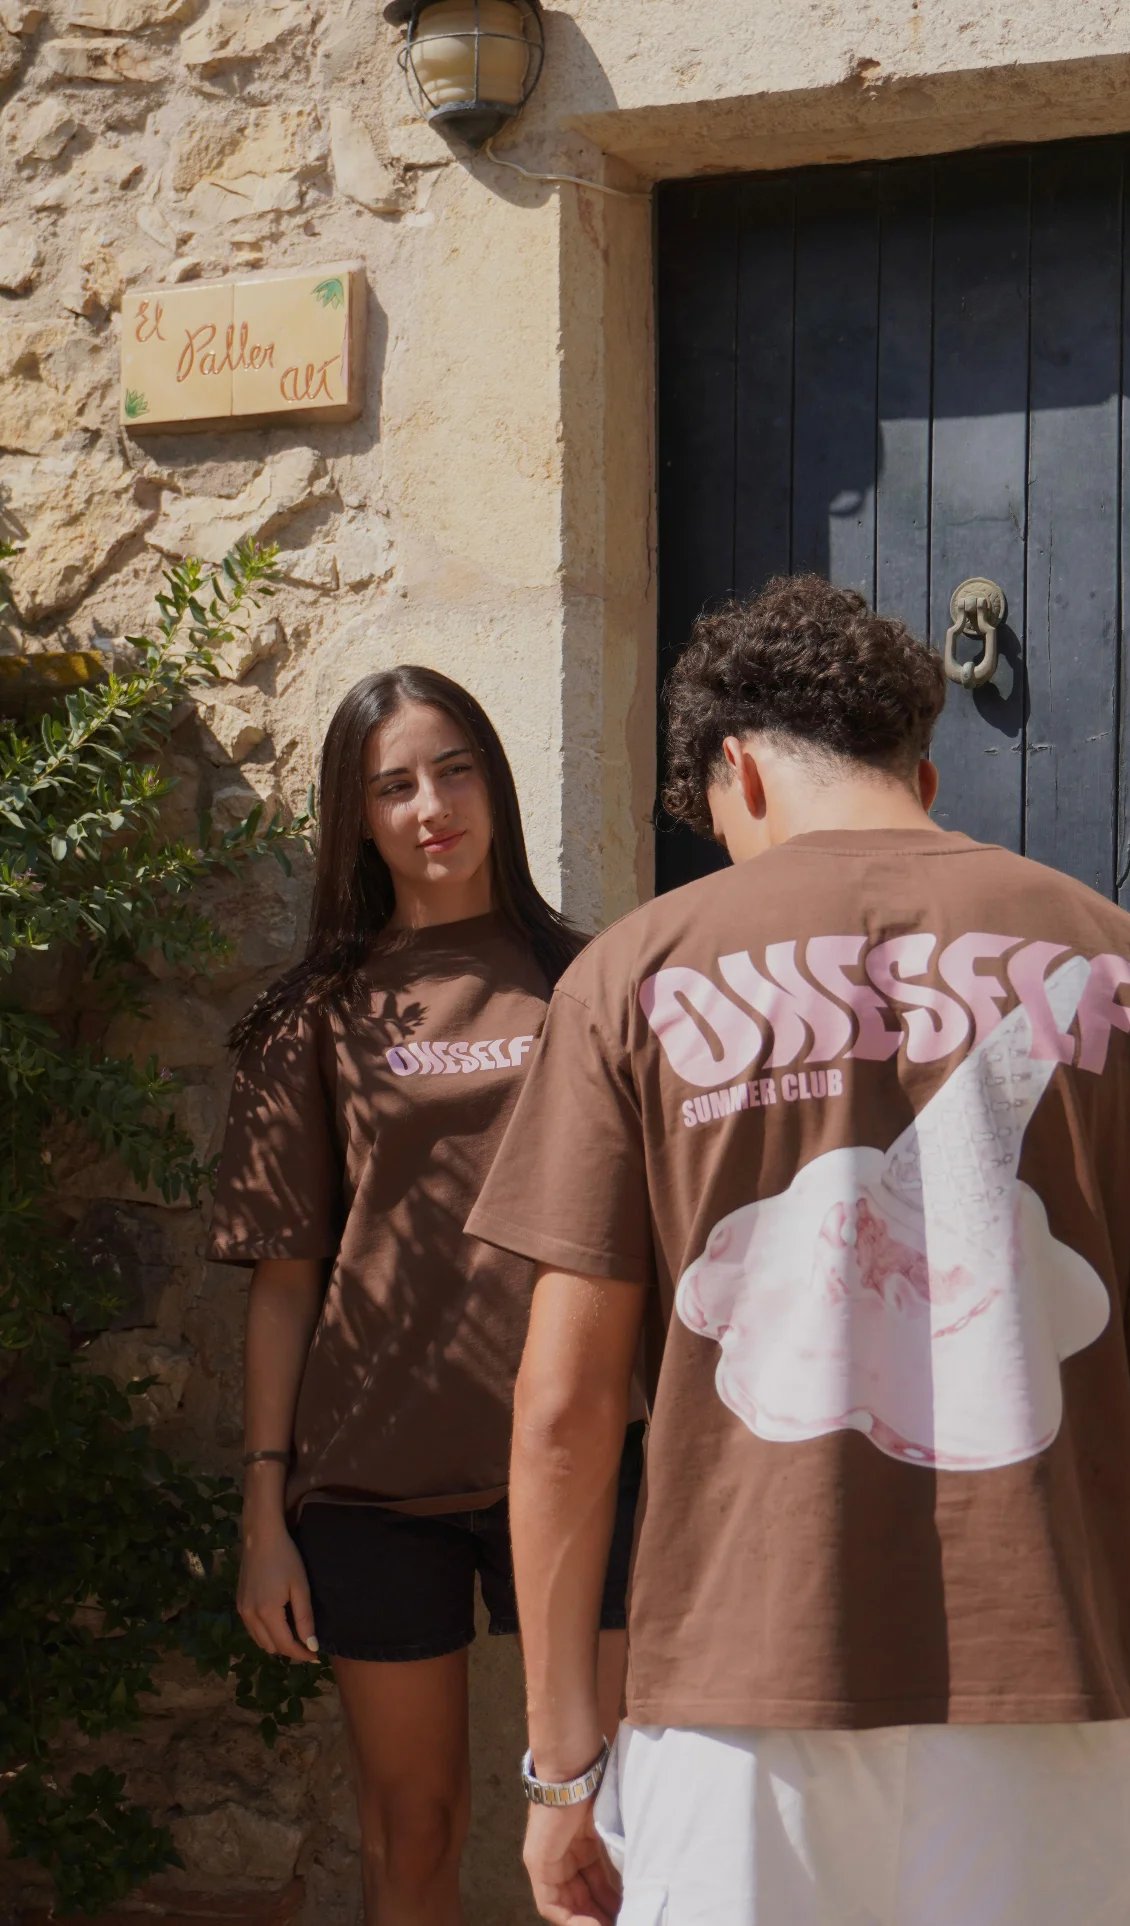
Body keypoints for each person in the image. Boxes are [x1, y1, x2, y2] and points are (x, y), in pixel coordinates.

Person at [466, 574, 1130, 1926]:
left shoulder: (631, 977)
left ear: (737, 770)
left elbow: (561, 1411)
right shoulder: (1125, 965)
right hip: (1052, 1701)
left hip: (735, 1715)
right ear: (921, 770)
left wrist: (561, 1764)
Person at [207, 665, 642, 1926]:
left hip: (585, 1459)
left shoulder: (592, 980)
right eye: (393, 785)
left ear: (495, 784)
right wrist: (265, 1509)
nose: (431, 806)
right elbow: (286, 1281)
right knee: (414, 1832)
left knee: (617, 1826)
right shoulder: (313, 1017)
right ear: (358, 817)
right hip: (372, 1482)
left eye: (453, 771)